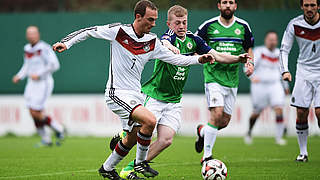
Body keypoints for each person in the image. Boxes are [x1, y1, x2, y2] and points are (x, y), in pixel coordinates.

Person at [52, 1, 215, 179]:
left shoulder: (152, 41)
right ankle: (140, 163)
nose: (154, 24)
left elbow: (174, 59)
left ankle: (107, 168)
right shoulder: (119, 31)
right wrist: (66, 43)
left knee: (131, 137)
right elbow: (89, 31)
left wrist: (199, 60)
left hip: (135, 95)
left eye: (155, 20)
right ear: (138, 17)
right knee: (150, 121)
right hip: (116, 93)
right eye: (150, 20)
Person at [108, 5, 251, 179]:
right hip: (155, 96)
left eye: (184, 22)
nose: (181, 26)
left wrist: (238, 58)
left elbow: (217, 55)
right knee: (141, 132)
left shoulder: (194, 40)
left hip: (174, 101)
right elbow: (165, 41)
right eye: (177, 23)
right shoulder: (168, 37)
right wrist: (170, 47)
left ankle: (130, 168)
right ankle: (125, 133)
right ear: (169, 24)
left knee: (166, 140)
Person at [194, 0, 255, 164]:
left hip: (232, 80)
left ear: (235, 6)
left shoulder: (243, 26)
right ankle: (207, 156)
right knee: (217, 113)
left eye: (231, 2)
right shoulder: (209, 26)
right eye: (224, 2)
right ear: (218, 6)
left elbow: (249, 47)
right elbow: (194, 44)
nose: (227, 5)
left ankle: (202, 132)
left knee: (224, 122)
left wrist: (250, 64)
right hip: (213, 77)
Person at [279, 0, 320, 162]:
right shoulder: (294, 24)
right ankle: (303, 153)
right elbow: (284, 49)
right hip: (303, 71)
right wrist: (285, 70)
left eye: (313, 5)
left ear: (318, 6)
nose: (309, 8)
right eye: (306, 5)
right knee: (301, 113)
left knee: (319, 112)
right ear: (301, 6)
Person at [12, 26, 64, 147]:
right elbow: (26, 65)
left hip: (43, 83)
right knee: (32, 111)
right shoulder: (27, 48)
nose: (31, 36)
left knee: (37, 112)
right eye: (29, 34)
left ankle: (58, 129)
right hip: (31, 84)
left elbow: (55, 65)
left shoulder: (44, 48)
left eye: (33, 33)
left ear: (38, 35)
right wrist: (19, 76)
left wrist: (39, 74)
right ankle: (46, 139)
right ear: (26, 36)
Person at [244, 31, 290, 146]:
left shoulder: (279, 53)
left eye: (274, 39)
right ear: (266, 40)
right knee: (256, 112)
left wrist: (285, 86)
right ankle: (249, 131)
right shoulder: (259, 52)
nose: (272, 42)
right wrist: (252, 77)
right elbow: (248, 64)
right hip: (260, 85)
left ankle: (279, 138)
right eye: (270, 39)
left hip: (275, 85)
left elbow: (282, 70)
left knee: (279, 109)